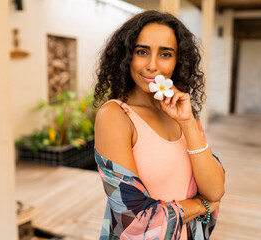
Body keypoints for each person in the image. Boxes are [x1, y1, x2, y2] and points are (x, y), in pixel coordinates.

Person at [93, 10, 225, 240]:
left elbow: (215, 190)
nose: (153, 65)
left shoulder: (183, 113)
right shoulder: (115, 116)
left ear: (177, 61)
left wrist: (187, 122)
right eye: (142, 52)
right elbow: (133, 218)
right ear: (127, 57)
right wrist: (199, 206)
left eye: (165, 54)